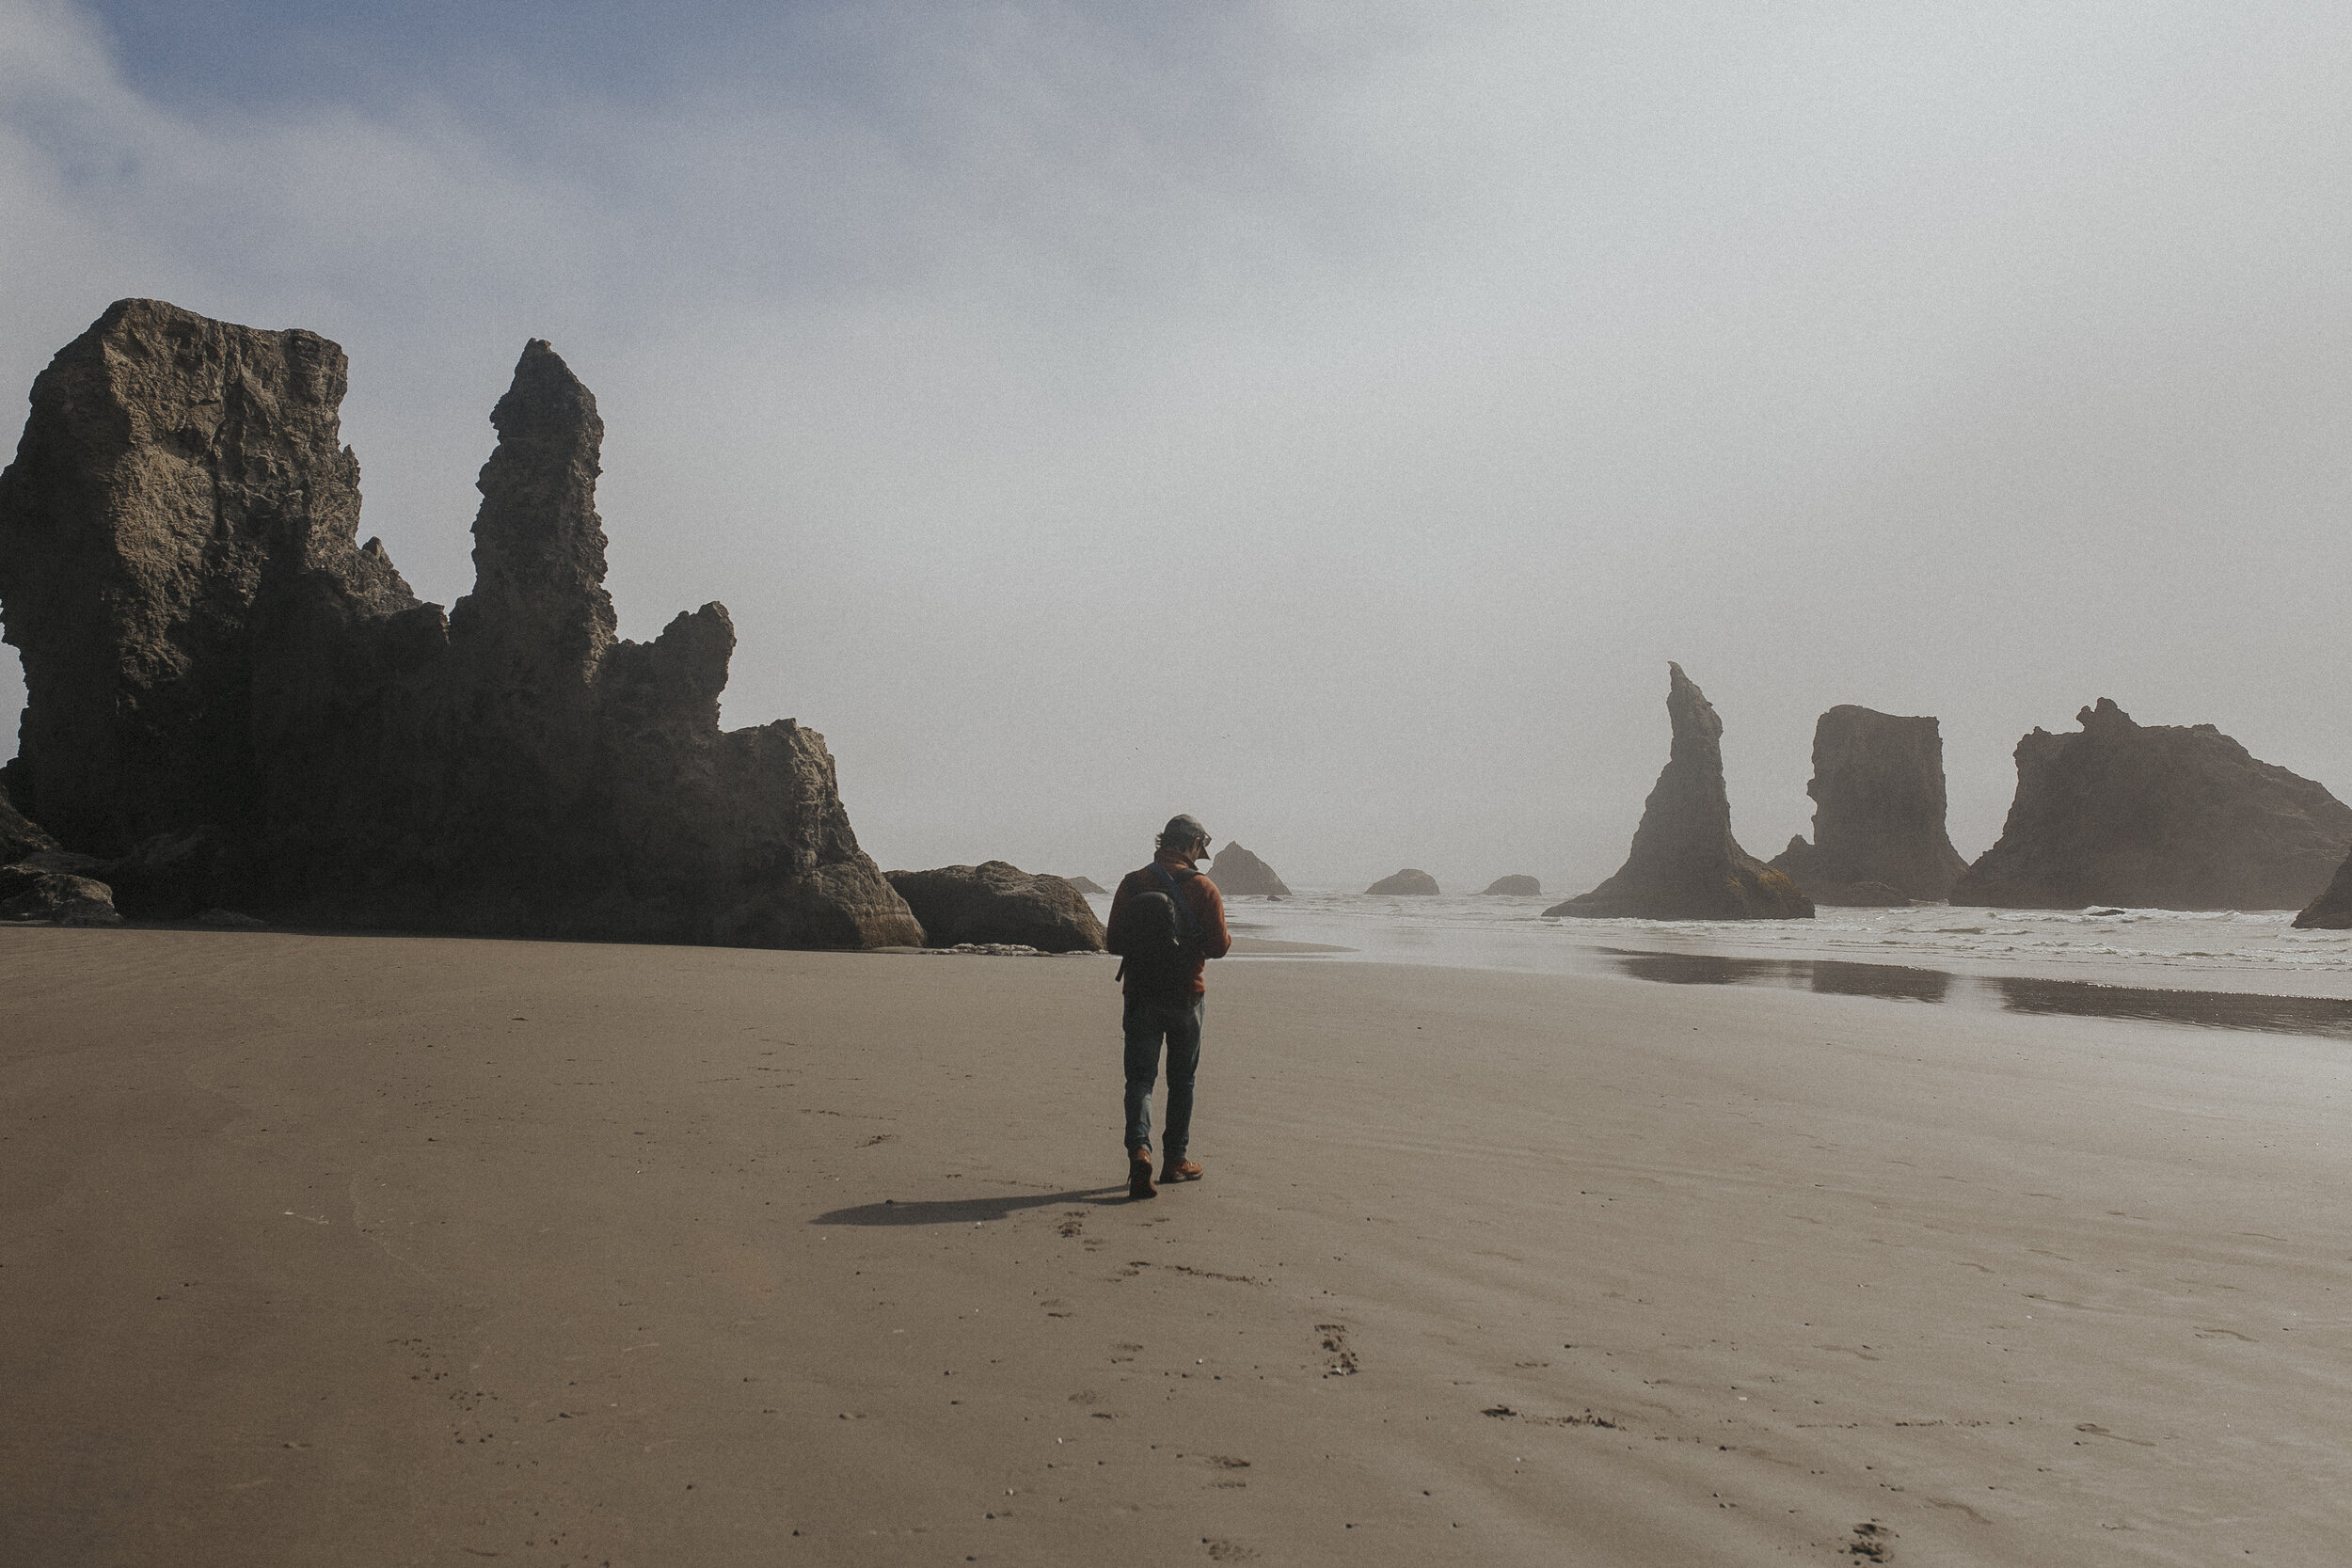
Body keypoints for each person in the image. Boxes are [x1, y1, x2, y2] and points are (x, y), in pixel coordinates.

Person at [1103, 813, 1232, 1200]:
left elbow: (1112, 943)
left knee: (1140, 1081)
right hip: (1187, 996)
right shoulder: (1204, 888)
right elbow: (1219, 948)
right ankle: (1175, 1160)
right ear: (1192, 844)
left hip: (1141, 995)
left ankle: (1140, 1151)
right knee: (1182, 1081)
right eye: (1200, 848)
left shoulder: (1131, 884)